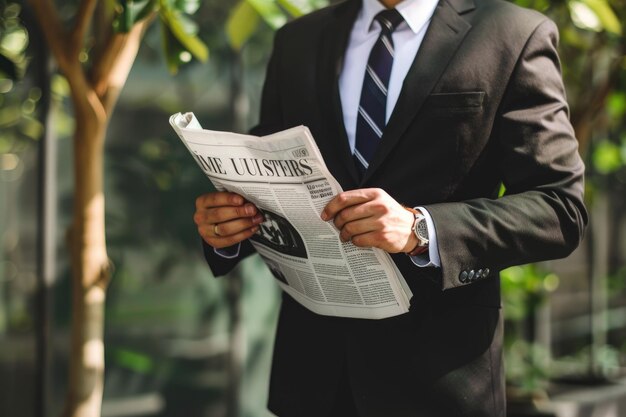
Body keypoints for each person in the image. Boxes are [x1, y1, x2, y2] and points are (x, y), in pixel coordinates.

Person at [193, 0, 588, 415]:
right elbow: (269, 180)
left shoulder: (512, 33)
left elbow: (560, 207)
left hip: (442, 380)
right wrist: (227, 225)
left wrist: (422, 229)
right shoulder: (297, 40)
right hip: (315, 379)